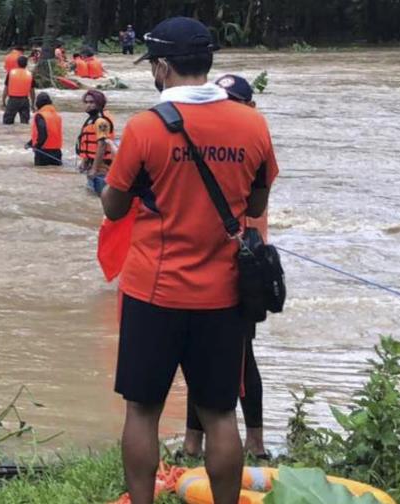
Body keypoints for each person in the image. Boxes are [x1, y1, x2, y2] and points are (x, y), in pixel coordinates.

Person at [100, 16, 279, 504]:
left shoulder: (143, 129)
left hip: (152, 292)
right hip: (223, 295)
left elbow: (112, 207)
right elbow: (256, 206)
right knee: (221, 413)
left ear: (161, 67)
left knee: (142, 410)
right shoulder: (252, 124)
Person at [182, 73, 267, 460]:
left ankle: (255, 441)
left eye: (233, 101)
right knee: (195, 354)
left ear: (248, 106)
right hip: (204, 259)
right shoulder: (224, 135)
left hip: (242, 262)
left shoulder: (253, 136)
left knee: (242, 355)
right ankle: (191, 441)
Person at [76, 89, 115, 195]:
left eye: (92, 102)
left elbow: (102, 145)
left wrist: (94, 169)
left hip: (102, 170)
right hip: (92, 167)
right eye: (86, 102)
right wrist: (84, 161)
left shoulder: (101, 122)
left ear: (99, 104)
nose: (88, 105)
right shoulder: (90, 121)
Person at [25, 92, 63, 166]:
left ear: (38, 103)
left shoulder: (40, 115)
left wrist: (36, 147)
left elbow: (43, 135)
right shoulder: (57, 115)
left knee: (41, 174)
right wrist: (30, 143)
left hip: (43, 152)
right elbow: (50, 132)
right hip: (57, 152)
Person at [2, 55, 35, 125]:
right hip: (25, 101)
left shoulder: (10, 73)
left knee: (7, 122)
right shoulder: (30, 74)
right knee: (25, 123)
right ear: (26, 64)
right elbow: (32, 91)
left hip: (12, 100)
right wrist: (32, 104)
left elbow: (6, 89)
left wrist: (3, 101)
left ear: (17, 63)